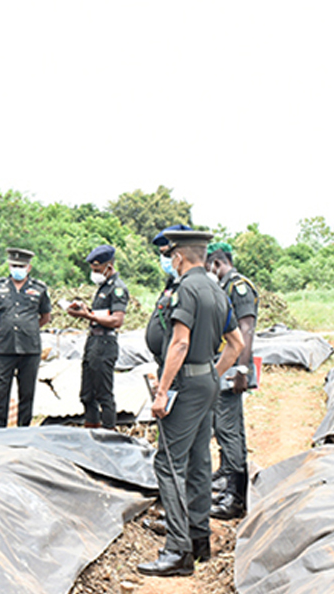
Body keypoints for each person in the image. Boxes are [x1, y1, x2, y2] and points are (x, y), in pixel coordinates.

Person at [138, 228, 244, 578]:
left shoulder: (185, 290)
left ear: (179, 257)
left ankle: (177, 550)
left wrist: (162, 390)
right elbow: (236, 342)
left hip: (183, 385)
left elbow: (179, 344)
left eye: (170, 256)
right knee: (199, 461)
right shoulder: (216, 288)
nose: (169, 262)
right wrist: (212, 373)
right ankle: (199, 539)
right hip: (207, 383)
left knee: (168, 463)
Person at [207, 242, 259, 520]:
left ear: (216, 263)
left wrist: (241, 370)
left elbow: (246, 328)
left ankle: (235, 497)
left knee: (228, 427)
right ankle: (227, 476)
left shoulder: (238, 287)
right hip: (225, 362)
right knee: (225, 425)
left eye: (208, 267)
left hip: (233, 366)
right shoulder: (224, 286)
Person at [0, 248, 52, 428]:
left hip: (30, 349)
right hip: (5, 348)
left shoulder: (39, 289)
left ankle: (23, 430)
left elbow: (45, 317)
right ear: (9, 265)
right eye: (14, 265)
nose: (17, 269)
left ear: (29, 268)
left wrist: (29, 329)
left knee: (26, 393)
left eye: (21, 266)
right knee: (0, 392)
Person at [66, 244, 128, 429]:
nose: (94, 273)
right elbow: (100, 313)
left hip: (105, 343)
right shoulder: (102, 287)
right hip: (93, 341)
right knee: (87, 394)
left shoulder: (117, 288)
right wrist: (84, 310)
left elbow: (117, 320)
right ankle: (91, 431)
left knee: (104, 394)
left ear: (109, 267)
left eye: (97, 270)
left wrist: (88, 316)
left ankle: (108, 435)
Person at [145, 228, 184, 370]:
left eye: (168, 254)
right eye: (162, 255)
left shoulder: (191, 286)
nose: (165, 260)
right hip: (165, 363)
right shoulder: (172, 282)